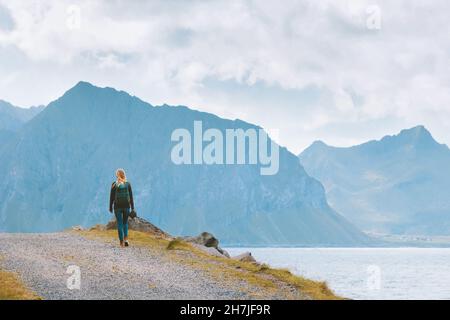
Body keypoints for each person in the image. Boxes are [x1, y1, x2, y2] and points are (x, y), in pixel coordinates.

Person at [109, 168, 135, 247]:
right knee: (125, 223)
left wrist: (110, 206)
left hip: (117, 207)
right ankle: (126, 239)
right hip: (126, 206)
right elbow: (131, 196)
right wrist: (133, 207)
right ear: (124, 174)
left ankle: (121, 242)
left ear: (117, 175)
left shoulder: (114, 184)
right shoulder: (128, 184)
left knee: (119, 223)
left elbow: (111, 197)